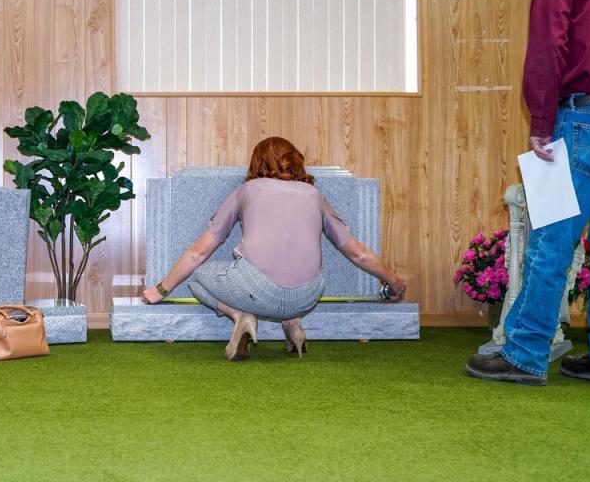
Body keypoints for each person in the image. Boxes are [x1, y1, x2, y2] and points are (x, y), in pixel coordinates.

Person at [466, 0, 590, 386]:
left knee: (549, 243)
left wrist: (541, 123)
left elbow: (548, 49)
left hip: (579, 119)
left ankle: (524, 352)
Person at [141, 136, 406, 361]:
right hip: (308, 296)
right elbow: (358, 253)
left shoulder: (247, 190)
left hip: (256, 292)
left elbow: (199, 253)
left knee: (198, 276)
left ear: (257, 163)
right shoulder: (314, 195)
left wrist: (161, 289)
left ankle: (240, 316)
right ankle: (291, 323)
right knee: (283, 285)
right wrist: (393, 282)